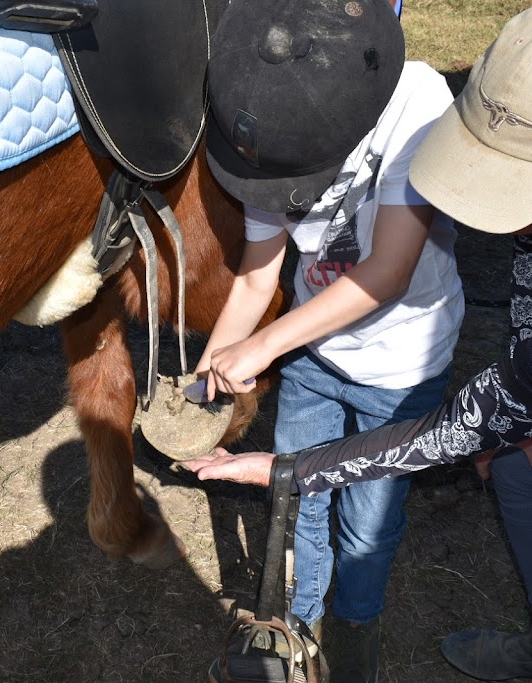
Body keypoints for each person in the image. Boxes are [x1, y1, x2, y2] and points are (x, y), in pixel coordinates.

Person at [184, 1, 532, 681]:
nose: (505, 214)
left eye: (527, 187)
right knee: (527, 469)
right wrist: (529, 390)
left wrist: (291, 468)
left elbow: (458, 427)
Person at [195, 0, 463, 679]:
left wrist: (262, 348)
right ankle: (297, 618)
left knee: (369, 525)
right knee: (296, 494)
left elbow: (389, 271)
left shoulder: (416, 101)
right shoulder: (260, 114)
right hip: (316, 352)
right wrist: (210, 374)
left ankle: (355, 622)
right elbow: (257, 282)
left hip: (403, 362)